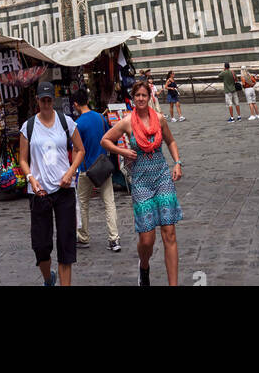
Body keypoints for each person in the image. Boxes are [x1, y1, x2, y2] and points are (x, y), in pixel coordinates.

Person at [101, 76, 182, 287]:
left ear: (149, 96)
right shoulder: (127, 121)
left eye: (144, 95)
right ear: (133, 97)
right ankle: (144, 265)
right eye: (137, 95)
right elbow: (105, 140)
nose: (140, 98)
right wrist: (123, 150)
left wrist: (177, 162)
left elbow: (170, 141)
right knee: (147, 239)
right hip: (141, 181)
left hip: (162, 176)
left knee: (169, 233)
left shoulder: (159, 118)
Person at [18, 83, 85, 288]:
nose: (46, 104)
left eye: (49, 100)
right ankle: (48, 278)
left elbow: (80, 149)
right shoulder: (28, 126)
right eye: (42, 100)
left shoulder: (66, 122)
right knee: (41, 246)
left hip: (64, 190)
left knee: (66, 244)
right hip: (39, 192)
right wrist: (31, 178)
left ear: (52, 100)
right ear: (37, 101)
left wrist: (70, 172)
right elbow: (22, 159)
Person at [71, 88, 121, 253]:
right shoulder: (100, 117)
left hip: (86, 169)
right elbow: (108, 137)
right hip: (102, 167)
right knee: (109, 203)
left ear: (76, 104)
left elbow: (77, 148)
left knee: (83, 203)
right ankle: (114, 239)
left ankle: (83, 236)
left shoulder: (78, 124)